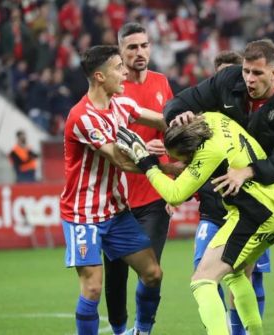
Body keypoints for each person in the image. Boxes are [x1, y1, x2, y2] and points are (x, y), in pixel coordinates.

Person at [164, 39, 274, 335]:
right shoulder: (229, 81)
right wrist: (175, 115)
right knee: (240, 268)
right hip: (244, 187)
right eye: (246, 71)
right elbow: (183, 100)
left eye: (257, 73)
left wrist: (248, 170)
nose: (249, 80)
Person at [115, 112, 274, 335]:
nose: (184, 164)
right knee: (234, 274)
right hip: (273, 209)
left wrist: (147, 162)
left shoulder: (209, 152)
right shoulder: (214, 118)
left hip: (256, 215)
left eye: (185, 160)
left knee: (202, 281)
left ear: (191, 151)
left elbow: (174, 194)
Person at [59, 45, 166, 335]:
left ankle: (141, 332)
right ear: (99, 76)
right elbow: (121, 160)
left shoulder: (121, 104)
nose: (125, 72)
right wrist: (170, 171)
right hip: (83, 215)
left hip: (116, 212)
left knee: (152, 274)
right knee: (92, 289)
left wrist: (188, 124)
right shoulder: (82, 116)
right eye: (119, 67)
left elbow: (158, 118)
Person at [191, 50, 273, 335]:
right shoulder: (202, 118)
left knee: (244, 276)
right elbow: (190, 163)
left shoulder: (255, 118)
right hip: (213, 210)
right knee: (207, 276)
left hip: (247, 210)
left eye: (234, 74)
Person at [103, 22, 175, 335]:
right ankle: (120, 330)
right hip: (116, 201)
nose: (140, 52)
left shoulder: (161, 83)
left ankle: (143, 329)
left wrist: (174, 184)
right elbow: (103, 139)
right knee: (115, 277)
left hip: (154, 196)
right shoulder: (110, 89)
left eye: (144, 45)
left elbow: (173, 135)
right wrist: (140, 148)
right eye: (132, 47)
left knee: (151, 272)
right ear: (120, 51)